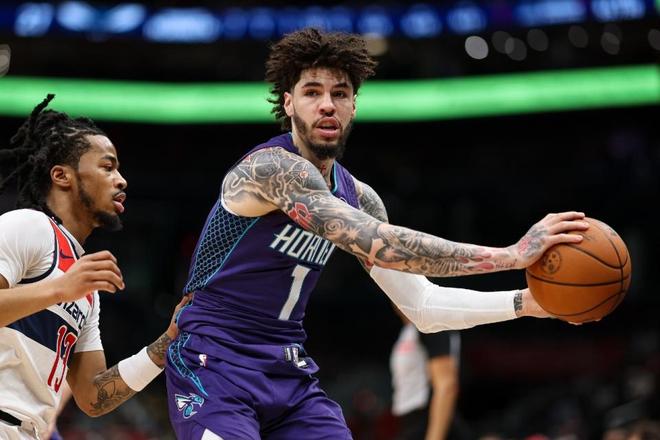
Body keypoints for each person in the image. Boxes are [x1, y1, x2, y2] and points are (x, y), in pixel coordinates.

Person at [165, 28, 589, 440]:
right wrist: (512, 255)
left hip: (286, 370)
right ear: (289, 103)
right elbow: (382, 244)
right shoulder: (270, 169)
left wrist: (527, 302)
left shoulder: (360, 197)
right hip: (213, 362)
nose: (327, 105)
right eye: (312, 92)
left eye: (340, 93)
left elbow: (421, 306)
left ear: (353, 106)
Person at [0, 95, 189, 439]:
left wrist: (166, 344)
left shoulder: (85, 290)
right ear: (62, 176)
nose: (121, 180)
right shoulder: (28, 226)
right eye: (107, 167)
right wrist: (59, 289)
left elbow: (93, 396)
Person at [391, 306, 460, 440]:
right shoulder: (409, 329)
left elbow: (446, 386)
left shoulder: (431, 323)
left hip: (428, 420)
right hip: (411, 421)